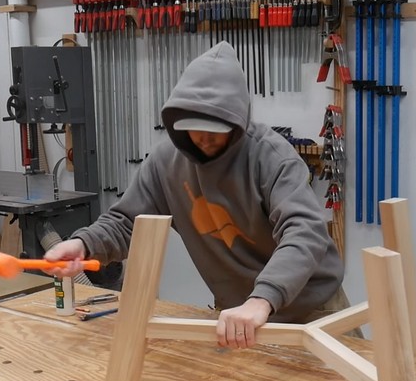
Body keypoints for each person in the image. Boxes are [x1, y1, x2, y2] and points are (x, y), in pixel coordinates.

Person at [44, 41, 344, 349]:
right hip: (238, 316)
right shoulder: (164, 163)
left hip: (310, 310)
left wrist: (262, 299)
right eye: (192, 127)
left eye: (214, 128)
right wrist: (83, 244)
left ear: (236, 120)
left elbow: (305, 232)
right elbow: (126, 222)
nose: (202, 138)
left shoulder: (271, 157)